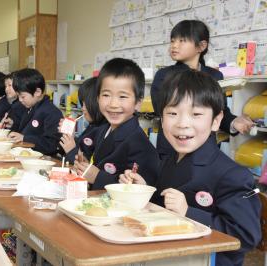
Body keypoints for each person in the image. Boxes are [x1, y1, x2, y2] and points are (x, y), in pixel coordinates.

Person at [120, 70, 261, 266]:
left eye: (196, 114)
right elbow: (166, 207)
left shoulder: (233, 175)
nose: (182, 124)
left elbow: (246, 236)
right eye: (172, 113)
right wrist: (144, 189)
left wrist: (189, 213)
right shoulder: (170, 160)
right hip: (167, 257)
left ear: (216, 121)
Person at [151, 20, 254, 159]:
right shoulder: (164, 75)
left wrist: (234, 122)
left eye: (182, 40)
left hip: (205, 149)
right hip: (172, 149)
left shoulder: (215, 76)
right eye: (172, 41)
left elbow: (219, 112)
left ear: (201, 46)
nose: (174, 45)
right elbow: (160, 109)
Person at [73, 58, 160, 190]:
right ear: (98, 98)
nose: (113, 104)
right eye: (106, 95)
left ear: (138, 103)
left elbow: (138, 190)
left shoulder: (140, 146)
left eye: (123, 97)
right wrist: (86, 166)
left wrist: (97, 176)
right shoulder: (103, 130)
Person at [8, 68, 63, 155]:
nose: (20, 100)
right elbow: (25, 131)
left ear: (37, 92)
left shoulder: (52, 112)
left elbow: (51, 145)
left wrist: (25, 138)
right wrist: (13, 125)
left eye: (23, 96)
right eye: (18, 96)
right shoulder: (30, 107)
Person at [59, 77, 104, 164]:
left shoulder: (103, 130)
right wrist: (68, 136)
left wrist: (71, 149)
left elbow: (88, 167)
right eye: (82, 104)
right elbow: (80, 148)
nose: (83, 109)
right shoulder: (93, 126)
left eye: (85, 104)